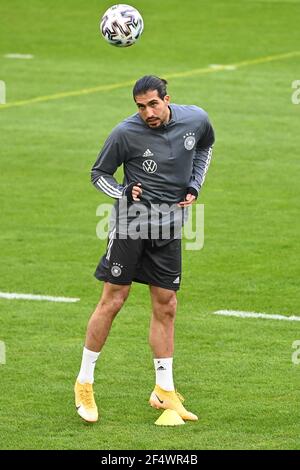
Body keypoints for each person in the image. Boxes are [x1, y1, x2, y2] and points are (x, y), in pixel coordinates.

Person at [74, 75, 215, 423]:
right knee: (114, 299)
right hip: (130, 226)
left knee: (166, 304)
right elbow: (99, 174)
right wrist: (124, 191)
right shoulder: (126, 133)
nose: (147, 113)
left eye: (153, 104)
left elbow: (205, 146)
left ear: (167, 99)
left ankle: (164, 391)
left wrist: (195, 183)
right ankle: (84, 381)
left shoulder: (196, 118)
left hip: (170, 227)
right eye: (140, 106)